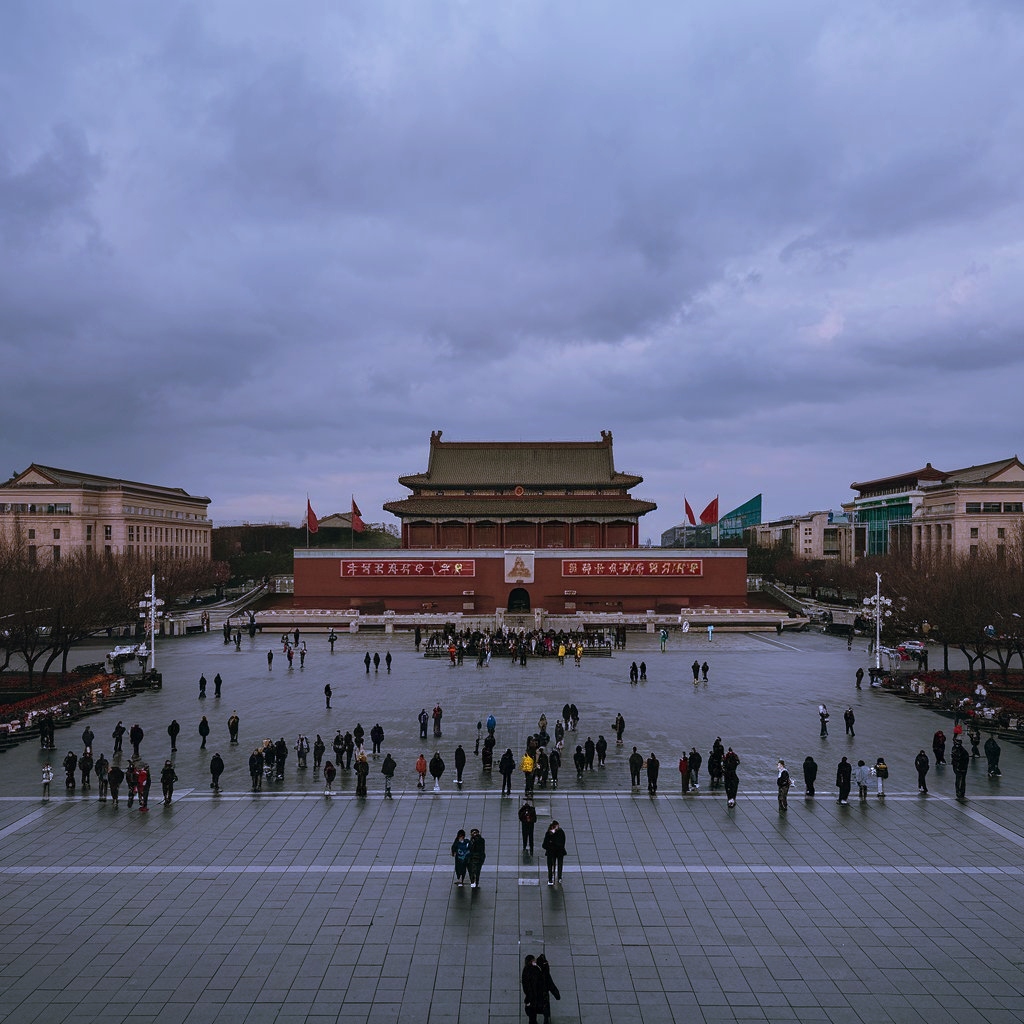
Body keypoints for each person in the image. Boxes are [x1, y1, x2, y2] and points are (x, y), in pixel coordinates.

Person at [535, 954, 561, 1024]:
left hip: (536, 996)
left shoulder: (534, 972)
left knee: (535, 1009)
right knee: (545, 1009)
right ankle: (545, 1020)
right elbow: (551, 985)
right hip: (543, 996)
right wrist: (556, 994)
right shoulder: (545, 975)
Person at [542, 819, 567, 886]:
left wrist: (551, 843)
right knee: (551, 866)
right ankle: (551, 879)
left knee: (558, 865)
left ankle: (558, 877)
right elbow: (544, 845)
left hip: (557, 852)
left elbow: (562, 843)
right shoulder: (549, 833)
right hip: (552, 852)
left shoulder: (560, 832)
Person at [522, 956, 544, 1024]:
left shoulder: (525, 970)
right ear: (531, 961)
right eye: (534, 960)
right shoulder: (536, 969)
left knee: (532, 1016)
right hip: (535, 996)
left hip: (531, 997)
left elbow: (525, 985)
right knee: (534, 1012)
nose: (535, 962)